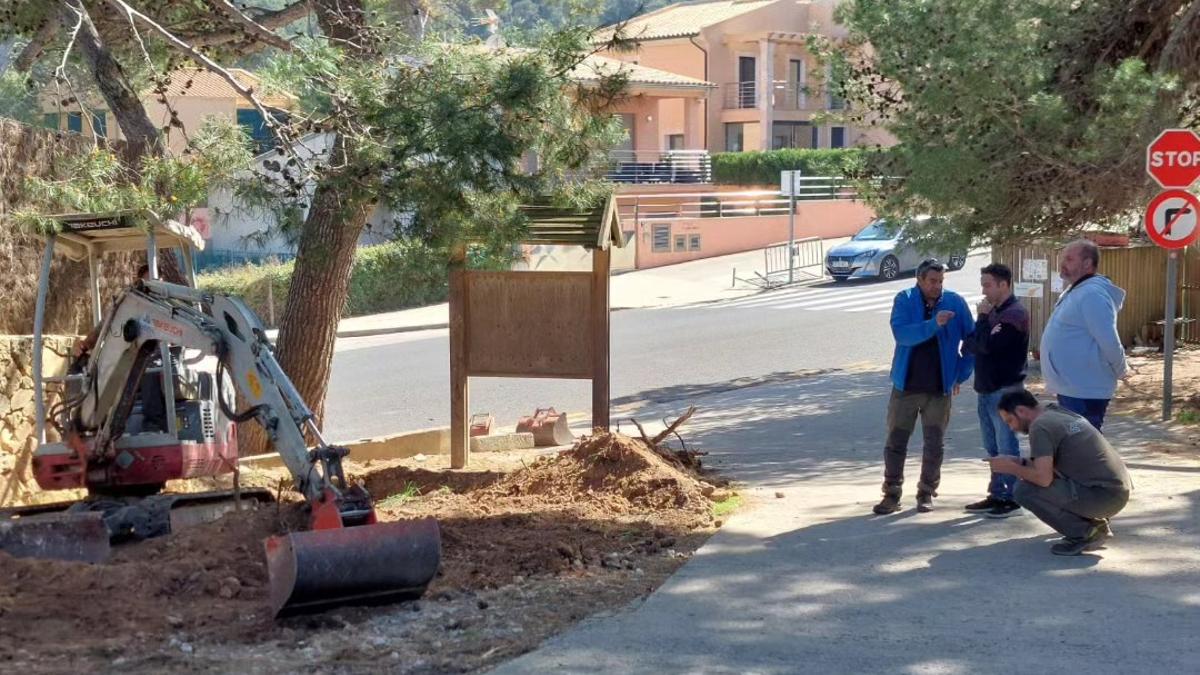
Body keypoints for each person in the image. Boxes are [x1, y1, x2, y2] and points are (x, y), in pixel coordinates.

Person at [873, 258, 975, 515]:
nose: (937, 286)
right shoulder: (904, 299)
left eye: (941, 281)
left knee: (934, 444)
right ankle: (892, 493)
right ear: (919, 279)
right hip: (905, 386)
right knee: (896, 442)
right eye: (932, 281)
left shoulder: (955, 302)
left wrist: (959, 375)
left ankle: (926, 492)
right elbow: (903, 335)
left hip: (938, 389)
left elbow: (972, 341)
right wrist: (933, 324)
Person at [991, 390, 1132, 556]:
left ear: (1021, 411)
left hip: (1104, 498)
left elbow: (1043, 479)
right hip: (1115, 492)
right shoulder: (1055, 412)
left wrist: (1011, 469)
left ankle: (1087, 532)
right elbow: (1048, 463)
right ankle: (1093, 520)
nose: (1011, 428)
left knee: (1024, 490)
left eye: (1010, 421)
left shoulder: (1040, 426)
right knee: (1041, 479)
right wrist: (1018, 462)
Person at [962, 263, 1030, 518]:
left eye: (988, 284)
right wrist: (981, 330)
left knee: (1006, 446)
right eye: (982, 284)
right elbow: (970, 344)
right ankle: (997, 493)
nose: (984, 290)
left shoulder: (1014, 315)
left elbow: (987, 346)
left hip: (1006, 390)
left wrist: (981, 321)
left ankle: (1012, 497)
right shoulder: (993, 313)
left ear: (1004, 284)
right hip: (985, 389)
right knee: (991, 447)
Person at [1039, 239, 1127, 430]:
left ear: (1087, 264)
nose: (1062, 263)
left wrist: (1121, 370)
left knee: (1083, 447)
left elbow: (1109, 340)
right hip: (1073, 387)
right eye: (1063, 258)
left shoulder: (1092, 294)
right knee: (1078, 446)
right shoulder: (1078, 291)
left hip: (1085, 390)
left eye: (1069, 259)